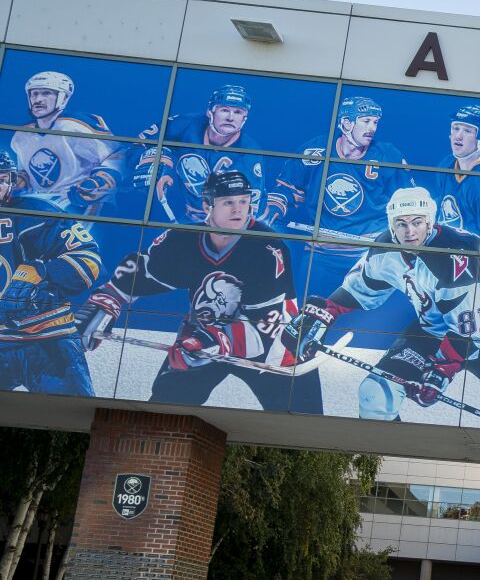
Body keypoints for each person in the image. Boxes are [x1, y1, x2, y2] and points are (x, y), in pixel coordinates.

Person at [75, 170, 316, 411]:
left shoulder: (267, 248)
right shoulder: (182, 239)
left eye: (243, 201)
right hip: (202, 339)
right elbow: (144, 272)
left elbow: (265, 326)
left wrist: (210, 340)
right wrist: (108, 299)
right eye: (228, 202)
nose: (238, 210)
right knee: (162, 412)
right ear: (207, 205)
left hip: (273, 351)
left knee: (305, 425)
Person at [282, 186, 480, 423]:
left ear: (430, 222)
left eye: (417, 222)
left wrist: (441, 369)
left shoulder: (456, 253)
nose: (409, 231)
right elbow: (360, 290)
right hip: (434, 330)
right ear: (392, 224)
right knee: (376, 396)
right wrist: (327, 311)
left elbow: (475, 331)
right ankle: (380, 458)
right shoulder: (386, 248)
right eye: (401, 223)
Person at [0, 150, 103, 395]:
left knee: (79, 415)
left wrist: (42, 272)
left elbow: (88, 257)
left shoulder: (37, 213)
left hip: (46, 338)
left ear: (12, 182)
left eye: (2, 178)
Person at [270, 94, 411, 241]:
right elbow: (289, 189)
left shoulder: (388, 155)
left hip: (369, 248)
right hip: (322, 248)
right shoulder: (315, 151)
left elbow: (407, 201)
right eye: (366, 121)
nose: (372, 128)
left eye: (375, 122)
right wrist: (275, 206)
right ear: (346, 123)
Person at [134, 84, 266, 227]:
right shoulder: (183, 125)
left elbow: (247, 213)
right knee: (167, 154)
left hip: (216, 220)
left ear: (244, 118)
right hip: (176, 208)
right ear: (210, 112)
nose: (230, 117)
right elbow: (137, 147)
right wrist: (149, 160)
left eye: (238, 112)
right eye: (224, 110)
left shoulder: (250, 154)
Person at [9, 69, 123, 215]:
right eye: (34, 93)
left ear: (63, 98)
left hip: (81, 206)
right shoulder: (22, 135)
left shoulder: (76, 126)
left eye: (46, 93)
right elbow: (27, 176)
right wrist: (16, 183)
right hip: (42, 206)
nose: (38, 100)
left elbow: (118, 156)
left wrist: (100, 182)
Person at [433, 103, 480, 244]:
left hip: (474, 258)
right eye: (456, 128)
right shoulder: (446, 164)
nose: (458, 136)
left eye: (467, 131)